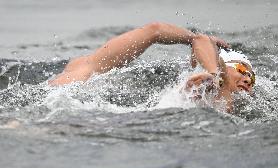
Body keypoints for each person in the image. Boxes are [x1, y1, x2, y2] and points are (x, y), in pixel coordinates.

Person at [48, 22, 255, 112]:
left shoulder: (81, 68)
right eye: (242, 70)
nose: (247, 78)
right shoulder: (221, 82)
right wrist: (213, 71)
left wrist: (195, 41)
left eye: (252, 78)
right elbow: (156, 30)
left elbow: (155, 30)